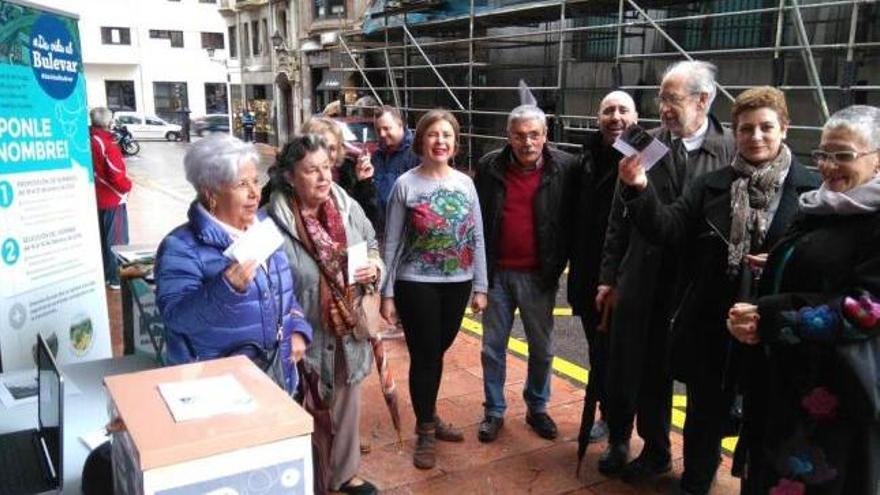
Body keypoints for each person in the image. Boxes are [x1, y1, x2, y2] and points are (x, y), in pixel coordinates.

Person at [618, 86, 820, 494]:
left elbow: (823, 263)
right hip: (713, 328)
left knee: (767, 428)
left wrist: (784, 264)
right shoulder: (712, 185)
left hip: (776, 333)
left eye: (766, 127)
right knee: (703, 423)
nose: (756, 137)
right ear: (735, 132)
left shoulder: (811, 191)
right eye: (746, 129)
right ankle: (695, 485)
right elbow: (667, 229)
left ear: (785, 128)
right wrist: (639, 189)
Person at [727, 105, 880, 494]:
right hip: (783, 385)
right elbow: (823, 263)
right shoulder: (821, 205)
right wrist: (781, 261)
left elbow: (867, 310)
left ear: (877, 159)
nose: (829, 166)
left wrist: (770, 316)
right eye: (824, 153)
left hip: (831, 403)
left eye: (843, 155)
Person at [597, 60, 735, 480]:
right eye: (661, 98)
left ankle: (701, 464)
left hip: (699, 286)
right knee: (647, 372)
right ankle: (654, 450)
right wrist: (607, 277)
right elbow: (618, 219)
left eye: (672, 99)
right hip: (646, 278)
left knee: (703, 381)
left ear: (703, 100)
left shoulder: (731, 149)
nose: (663, 108)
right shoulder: (642, 144)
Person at [265, 135, 381, 495]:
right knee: (302, 407)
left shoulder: (346, 206)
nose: (323, 177)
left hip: (347, 324)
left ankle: (343, 474)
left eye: (326, 168)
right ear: (289, 176)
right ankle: (304, 477)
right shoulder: (272, 222)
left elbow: (371, 244)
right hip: (302, 336)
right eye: (311, 170)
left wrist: (375, 268)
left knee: (346, 403)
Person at [154, 134, 312, 396]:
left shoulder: (262, 228)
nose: (254, 193)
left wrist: (298, 329)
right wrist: (225, 288)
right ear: (210, 191)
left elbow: (284, 293)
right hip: (218, 391)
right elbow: (177, 319)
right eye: (241, 184)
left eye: (255, 181)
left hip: (276, 377)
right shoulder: (181, 247)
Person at [380, 110, 488, 469]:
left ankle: (429, 412)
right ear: (420, 141)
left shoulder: (465, 184)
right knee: (425, 356)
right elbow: (392, 242)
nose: (440, 141)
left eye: (447, 135)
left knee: (436, 353)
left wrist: (481, 286)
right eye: (433, 135)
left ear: (455, 143)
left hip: (457, 283)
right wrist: (387, 293)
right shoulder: (405, 185)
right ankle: (425, 428)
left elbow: (478, 238)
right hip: (416, 284)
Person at [473, 104, 579, 443]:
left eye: (534, 134)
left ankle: (537, 406)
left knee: (542, 348)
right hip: (497, 274)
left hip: (539, 275)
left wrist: (559, 262)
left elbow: (573, 218)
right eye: (519, 135)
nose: (527, 142)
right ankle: (494, 410)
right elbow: (477, 222)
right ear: (509, 136)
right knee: (492, 347)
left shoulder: (566, 167)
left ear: (545, 136)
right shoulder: (489, 166)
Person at [568, 90, 639, 444]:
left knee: (625, 359)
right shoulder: (585, 155)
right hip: (588, 277)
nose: (616, 117)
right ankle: (608, 417)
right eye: (608, 110)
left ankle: (624, 429)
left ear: (637, 117)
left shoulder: (650, 155)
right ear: (598, 118)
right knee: (599, 355)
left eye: (623, 110)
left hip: (629, 279)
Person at [302, 116, 379, 226]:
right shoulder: (290, 180)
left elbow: (366, 222)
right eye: (320, 146)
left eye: (332, 148)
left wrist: (363, 183)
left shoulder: (348, 172)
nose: (326, 154)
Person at [89, 107, 132, 290]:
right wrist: (127, 186)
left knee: (103, 238)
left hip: (97, 195)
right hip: (112, 197)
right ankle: (116, 279)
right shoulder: (107, 142)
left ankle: (107, 275)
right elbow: (115, 174)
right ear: (108, 121)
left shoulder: (89, 138)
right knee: (116, 239)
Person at [371, 105, 419, 232]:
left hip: (407, 232)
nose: (382, 134)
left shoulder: (417, 153)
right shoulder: (376, 156)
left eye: (386, 128)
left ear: (400, 125)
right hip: (382, 231)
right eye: (378, 130)